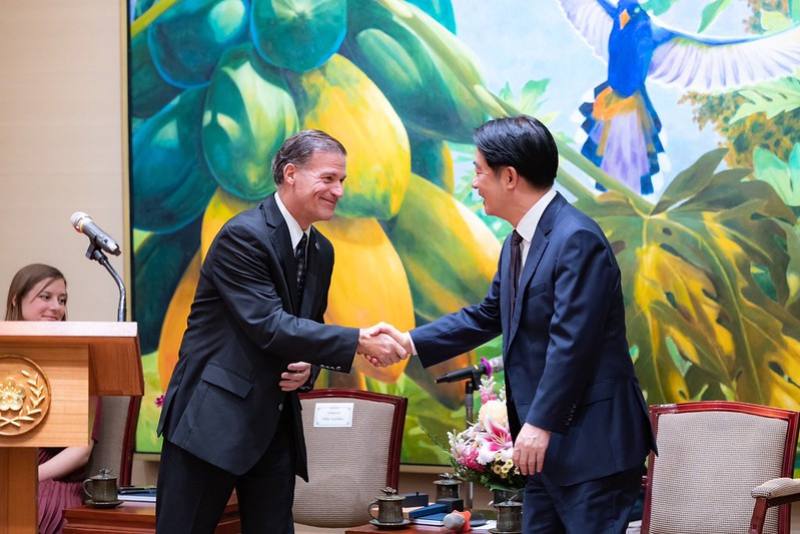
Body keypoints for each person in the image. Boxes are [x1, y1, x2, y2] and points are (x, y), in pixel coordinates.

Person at [375, 116, 656, 533]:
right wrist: (410, 341)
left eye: (478, 171)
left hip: (591, 448)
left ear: (509, 177)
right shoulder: (518, 241)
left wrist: (539, 424)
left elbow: (572, 343)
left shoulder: (576, 238)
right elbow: (489, 314)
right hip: (546, 449)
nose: (474, 183)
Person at [155, 129, 406, 534]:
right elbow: (269, 325)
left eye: (342, 180)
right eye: (328, 178)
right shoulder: (243, 236)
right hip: (212, 421)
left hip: (273, 426)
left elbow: (305, 329)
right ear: (291, 173)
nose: (339, 190)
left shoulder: (321, 250)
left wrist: (308, 367)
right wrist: (358, 340)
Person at [5, 263, 100, 534]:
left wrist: (26, 477)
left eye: (62, 300)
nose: (57, 307)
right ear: (16, 299)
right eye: (45, 297)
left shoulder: (83, 359)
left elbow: (81, 451)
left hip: (51, 479)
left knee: (35, 508)